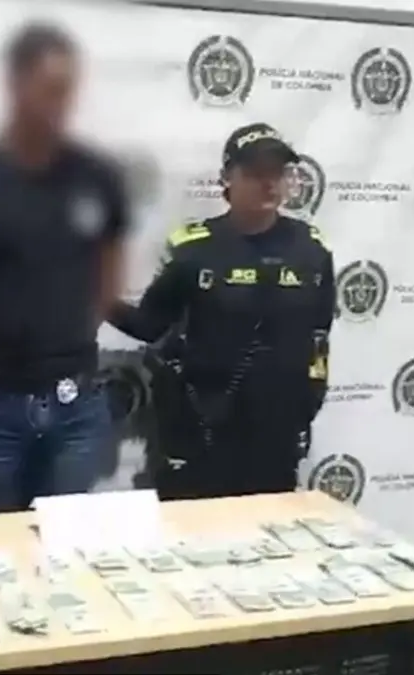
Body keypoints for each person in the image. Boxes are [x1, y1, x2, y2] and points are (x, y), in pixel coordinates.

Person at [0, 22, 130, 514]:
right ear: (14, 83)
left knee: (63, 544)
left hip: (75, 401)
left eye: (69, 90)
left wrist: (61, 341)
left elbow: (109, 277)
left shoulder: (98, 179)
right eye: (51, 88)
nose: (62, 102)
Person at [108, 122, 336, 500]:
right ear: (228, 178)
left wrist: (310, 400)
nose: (269, 183)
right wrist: (96, 298)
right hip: (201, 431)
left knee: (267, 529)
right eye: (255, 172)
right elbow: (149, 325)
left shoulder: (312, 250)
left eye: (278, 172)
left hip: (277, 434)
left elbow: (320, 335)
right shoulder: (194, 248)